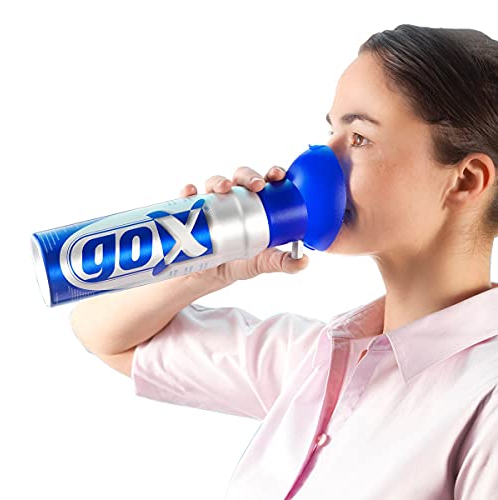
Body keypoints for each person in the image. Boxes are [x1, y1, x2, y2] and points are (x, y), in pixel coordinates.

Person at [69, 24, 498, 499]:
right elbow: (106, 336)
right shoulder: (314, 360)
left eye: (359, 137)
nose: (318, 161)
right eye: (331, 132)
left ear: (466, 180)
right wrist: (205, 261)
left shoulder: (486, 398)